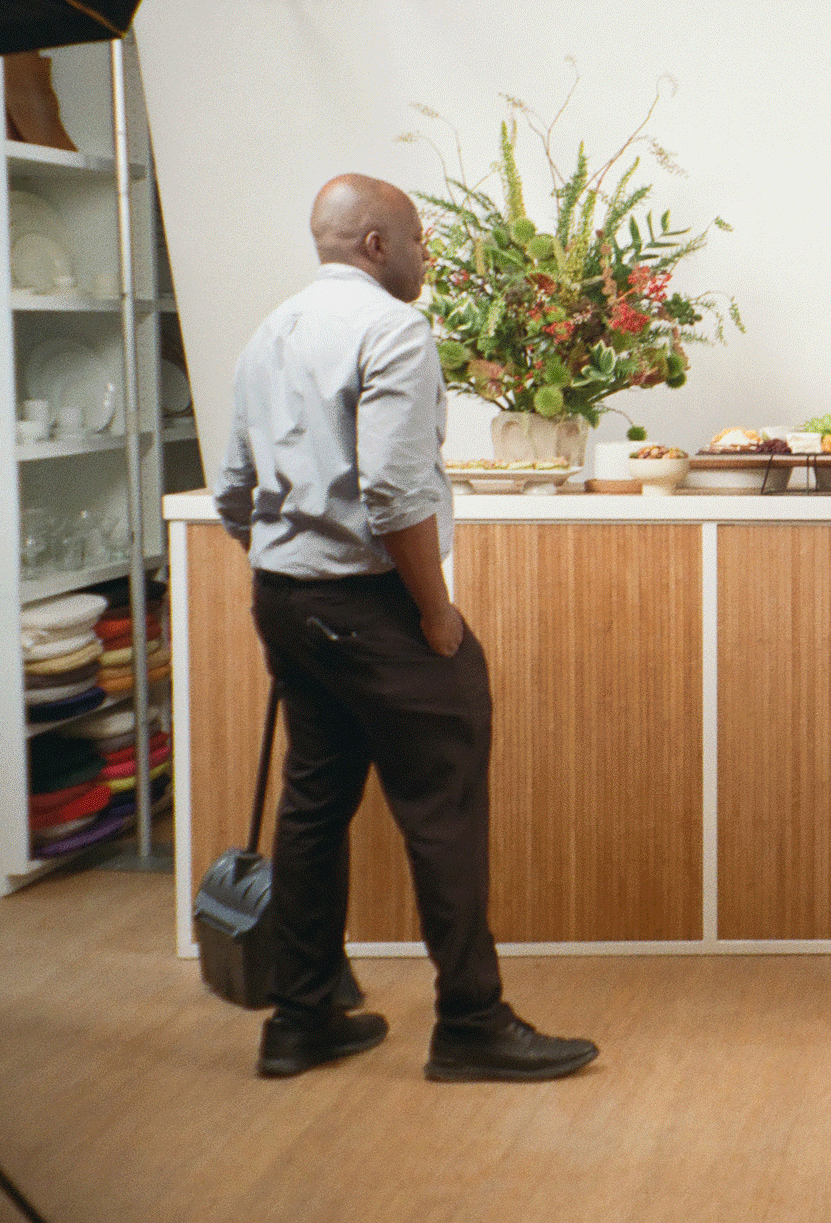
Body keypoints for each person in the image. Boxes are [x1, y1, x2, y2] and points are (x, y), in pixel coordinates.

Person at [215, 173, 599, 1082]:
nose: (429, 256)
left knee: (315, 803)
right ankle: (471, 1022)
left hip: (287, 598)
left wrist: (291, 565)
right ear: (378, 244)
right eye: (420, 240)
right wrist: (435, 611)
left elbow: (235, 487)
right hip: (370, 603)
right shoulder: (393, 329)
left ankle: (301, 1017)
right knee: (443, 806)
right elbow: (392, 490)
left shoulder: (270, 333)